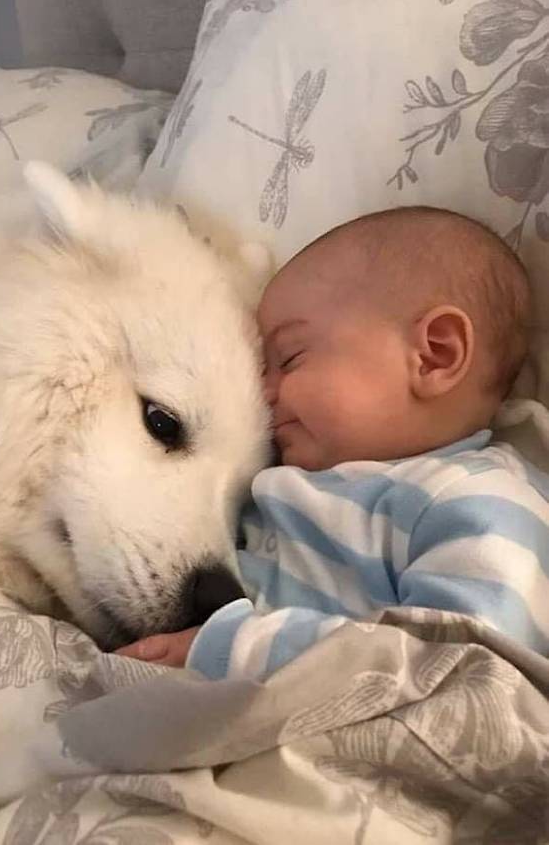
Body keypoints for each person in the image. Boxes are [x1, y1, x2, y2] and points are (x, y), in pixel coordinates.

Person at [115, 205, 549, 679]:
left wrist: (229, 650)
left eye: (290, 358)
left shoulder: (477, 500)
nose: (263, 392)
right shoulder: (281, 490)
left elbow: (464, 665)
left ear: (433, 356)